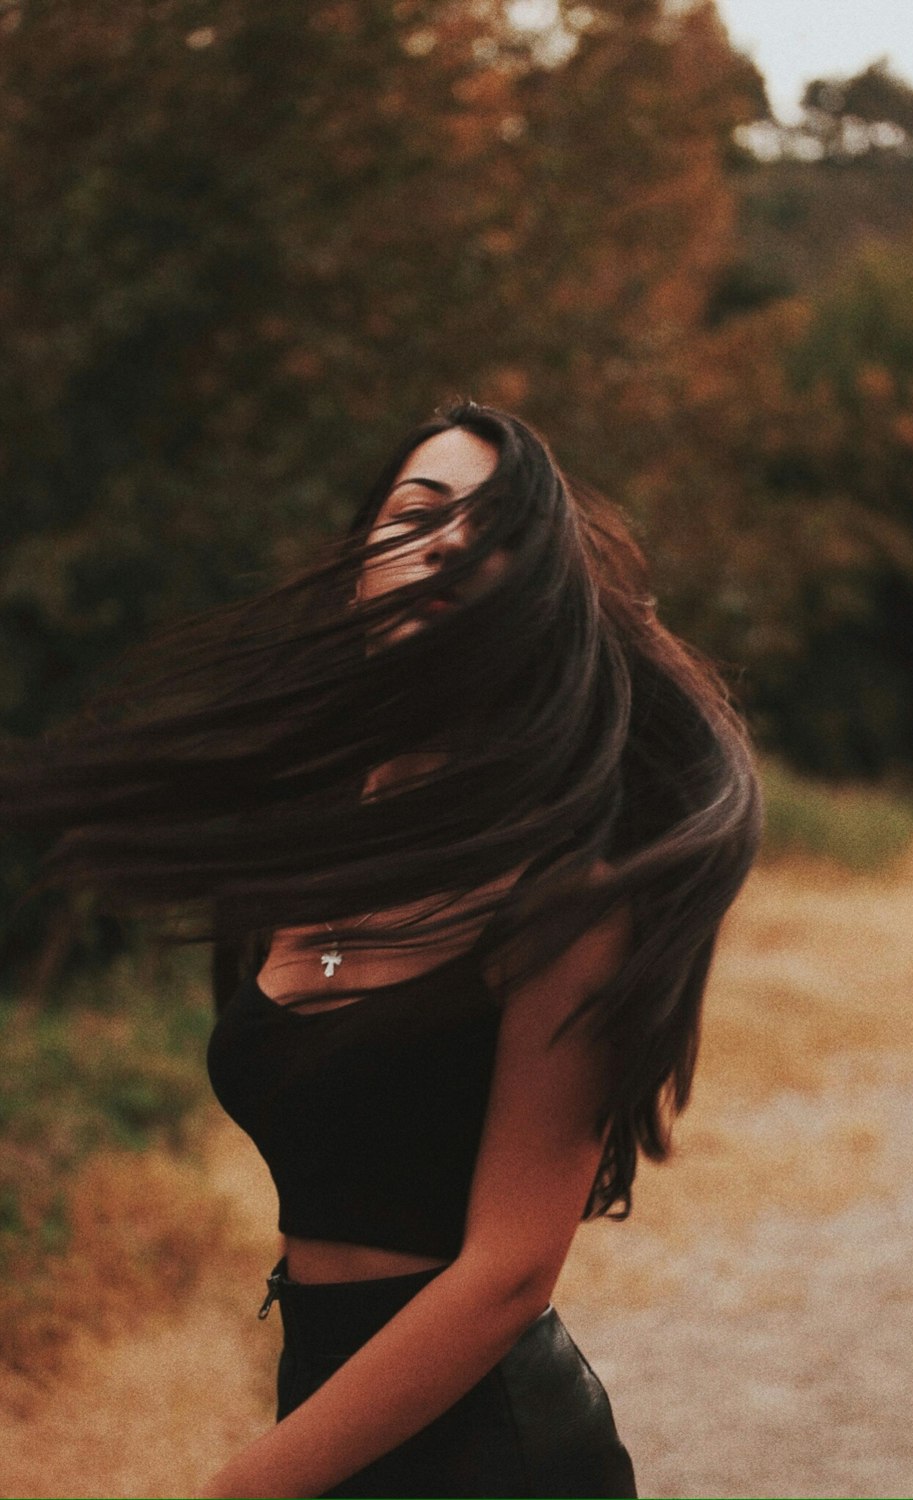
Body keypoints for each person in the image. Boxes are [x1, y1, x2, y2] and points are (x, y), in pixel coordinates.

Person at [2, 403, 761, 1498]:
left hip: (491, 1449)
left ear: (529, 598)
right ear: (360, 560)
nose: (449, 540)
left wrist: (239, 1488)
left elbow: (507, 1274)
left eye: (494, 532)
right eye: (419, 510)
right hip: (332, 1411)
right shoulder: (305, 849)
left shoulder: (564, 897)